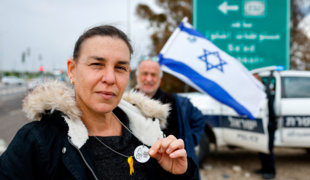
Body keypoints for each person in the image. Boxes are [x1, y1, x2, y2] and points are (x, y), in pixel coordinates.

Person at [0, 25, 198, 179]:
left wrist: (178, 175)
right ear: (72, 70)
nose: (110, 78)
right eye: (97, 64)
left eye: (120, 67)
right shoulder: (37, 142)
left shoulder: (148, 132)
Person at [135, 59, 206, 179]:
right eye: (145, 74)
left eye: (153, 75)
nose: (148, 79)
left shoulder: (177, 103)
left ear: (160, 80)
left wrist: (189, 141)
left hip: (171, 172)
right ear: (137, 77)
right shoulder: (126, 104)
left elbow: (199, 119)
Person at [253, 73, 276, 179]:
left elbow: (271, 110)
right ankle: (264, 168)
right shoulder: (258, 92)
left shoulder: (265, 93)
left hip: (269, 124)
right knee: (261, 147)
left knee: (268, 148)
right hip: (261, 123)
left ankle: (271, 171)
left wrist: (272, 124)